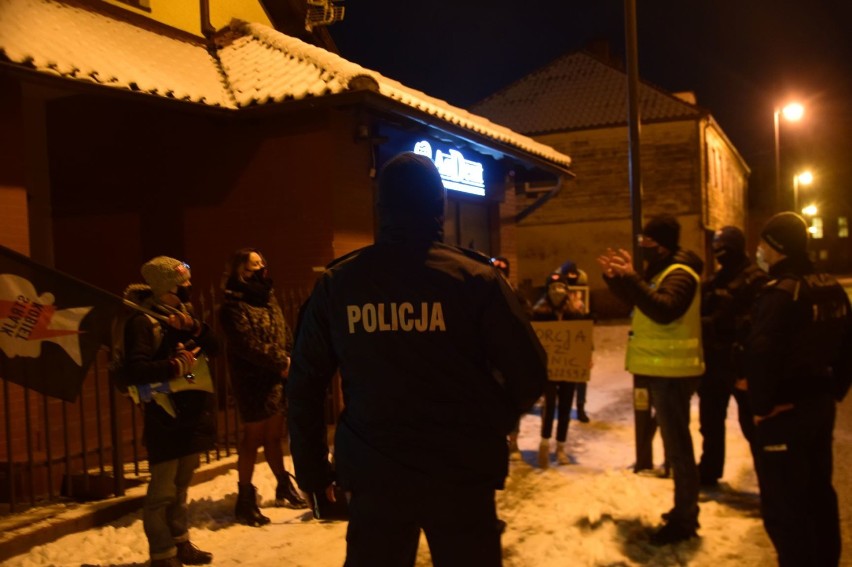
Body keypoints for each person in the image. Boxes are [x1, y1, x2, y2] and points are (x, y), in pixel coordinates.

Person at [287, 151, 547, 567]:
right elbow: (529, 373)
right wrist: (488, 422)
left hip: (376, 475)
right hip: (460, 472)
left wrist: (314, 476)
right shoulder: (475, 279)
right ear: (440, 206)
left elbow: (303, 386)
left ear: (381, 208)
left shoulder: (341, 284)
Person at [744, 212, 852, 566]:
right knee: (819, 495)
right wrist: (833, 390)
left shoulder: (781, 294)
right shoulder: (829, 286)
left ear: (776, 248)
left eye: (763, 242)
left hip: (784, 412)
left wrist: (761, 408)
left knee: (786, 508)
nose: (759, 249)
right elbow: (848, 346)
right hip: (819, 406)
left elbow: (763, 356)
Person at [597, 213, 704, 545]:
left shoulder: (681, 273)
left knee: (678, 450)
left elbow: (663, 309)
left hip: (672, 374)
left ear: (663, 245)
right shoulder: (661, 271)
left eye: (647, 243)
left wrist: (632, 277)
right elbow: (638, 300)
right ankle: (683, 510)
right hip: (661, 371)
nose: (642, 248)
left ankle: (686, 519)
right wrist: (617, 279)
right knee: (676, 448)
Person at [123, 257, 219, 567]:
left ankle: (180, 543)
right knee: (162, 493)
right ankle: (162, 555)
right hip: (164, 416)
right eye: (183, 282)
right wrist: (173, 366)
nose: (189, 287)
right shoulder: (142, 322)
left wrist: (194, 328)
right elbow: (133, 370)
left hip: (191, 414)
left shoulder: (184, 314)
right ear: (166, 286)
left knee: (180, 489)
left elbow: (215, 346)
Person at [219, 248, 308, 527]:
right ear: (240, 272)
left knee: (274, 436)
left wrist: (291, 360)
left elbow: (283, 332)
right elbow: (246, 344)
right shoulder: (232, 307)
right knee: (253, 438)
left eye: (262, 263)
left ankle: (284, 485)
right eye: (255, 265)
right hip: (253, 381)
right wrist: (280, 360)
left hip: (277, 377)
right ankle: (244, 499)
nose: (262, 269)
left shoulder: (268, 298)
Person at [696, 226, 768, 487]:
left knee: (752, 425)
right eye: (716, 246)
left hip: (743, 364)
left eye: (724, 246)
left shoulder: (756, 280)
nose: (719, 252)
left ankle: (768, 478)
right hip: (716, 363)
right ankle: (709, 470)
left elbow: (758, 325)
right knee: (710, 421)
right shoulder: (715, 280)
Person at [532, 264, 588, 468]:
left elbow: (583, 341)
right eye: (553, 287)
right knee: (550, 404)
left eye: (561, 287)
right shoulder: (539, 315)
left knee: (565, 406)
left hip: (568, 368)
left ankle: (561, 446)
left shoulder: (575, 314)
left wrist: (585, 357)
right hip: (548, 370)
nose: (557, 291)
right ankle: (545, 443)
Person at [490, 255, 533, 461]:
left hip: (511, 359)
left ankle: (513, 440)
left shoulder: (516, 296)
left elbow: (527, 318)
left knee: (512, 400)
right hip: (490, 359)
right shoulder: (483, 294)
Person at [557, 260, 592, 423]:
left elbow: (589, 313)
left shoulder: (583, 292)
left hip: (580, 337)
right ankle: (562, 404)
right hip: (562, 338)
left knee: (581, 377)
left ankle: (580, 407)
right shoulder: (555, 289)